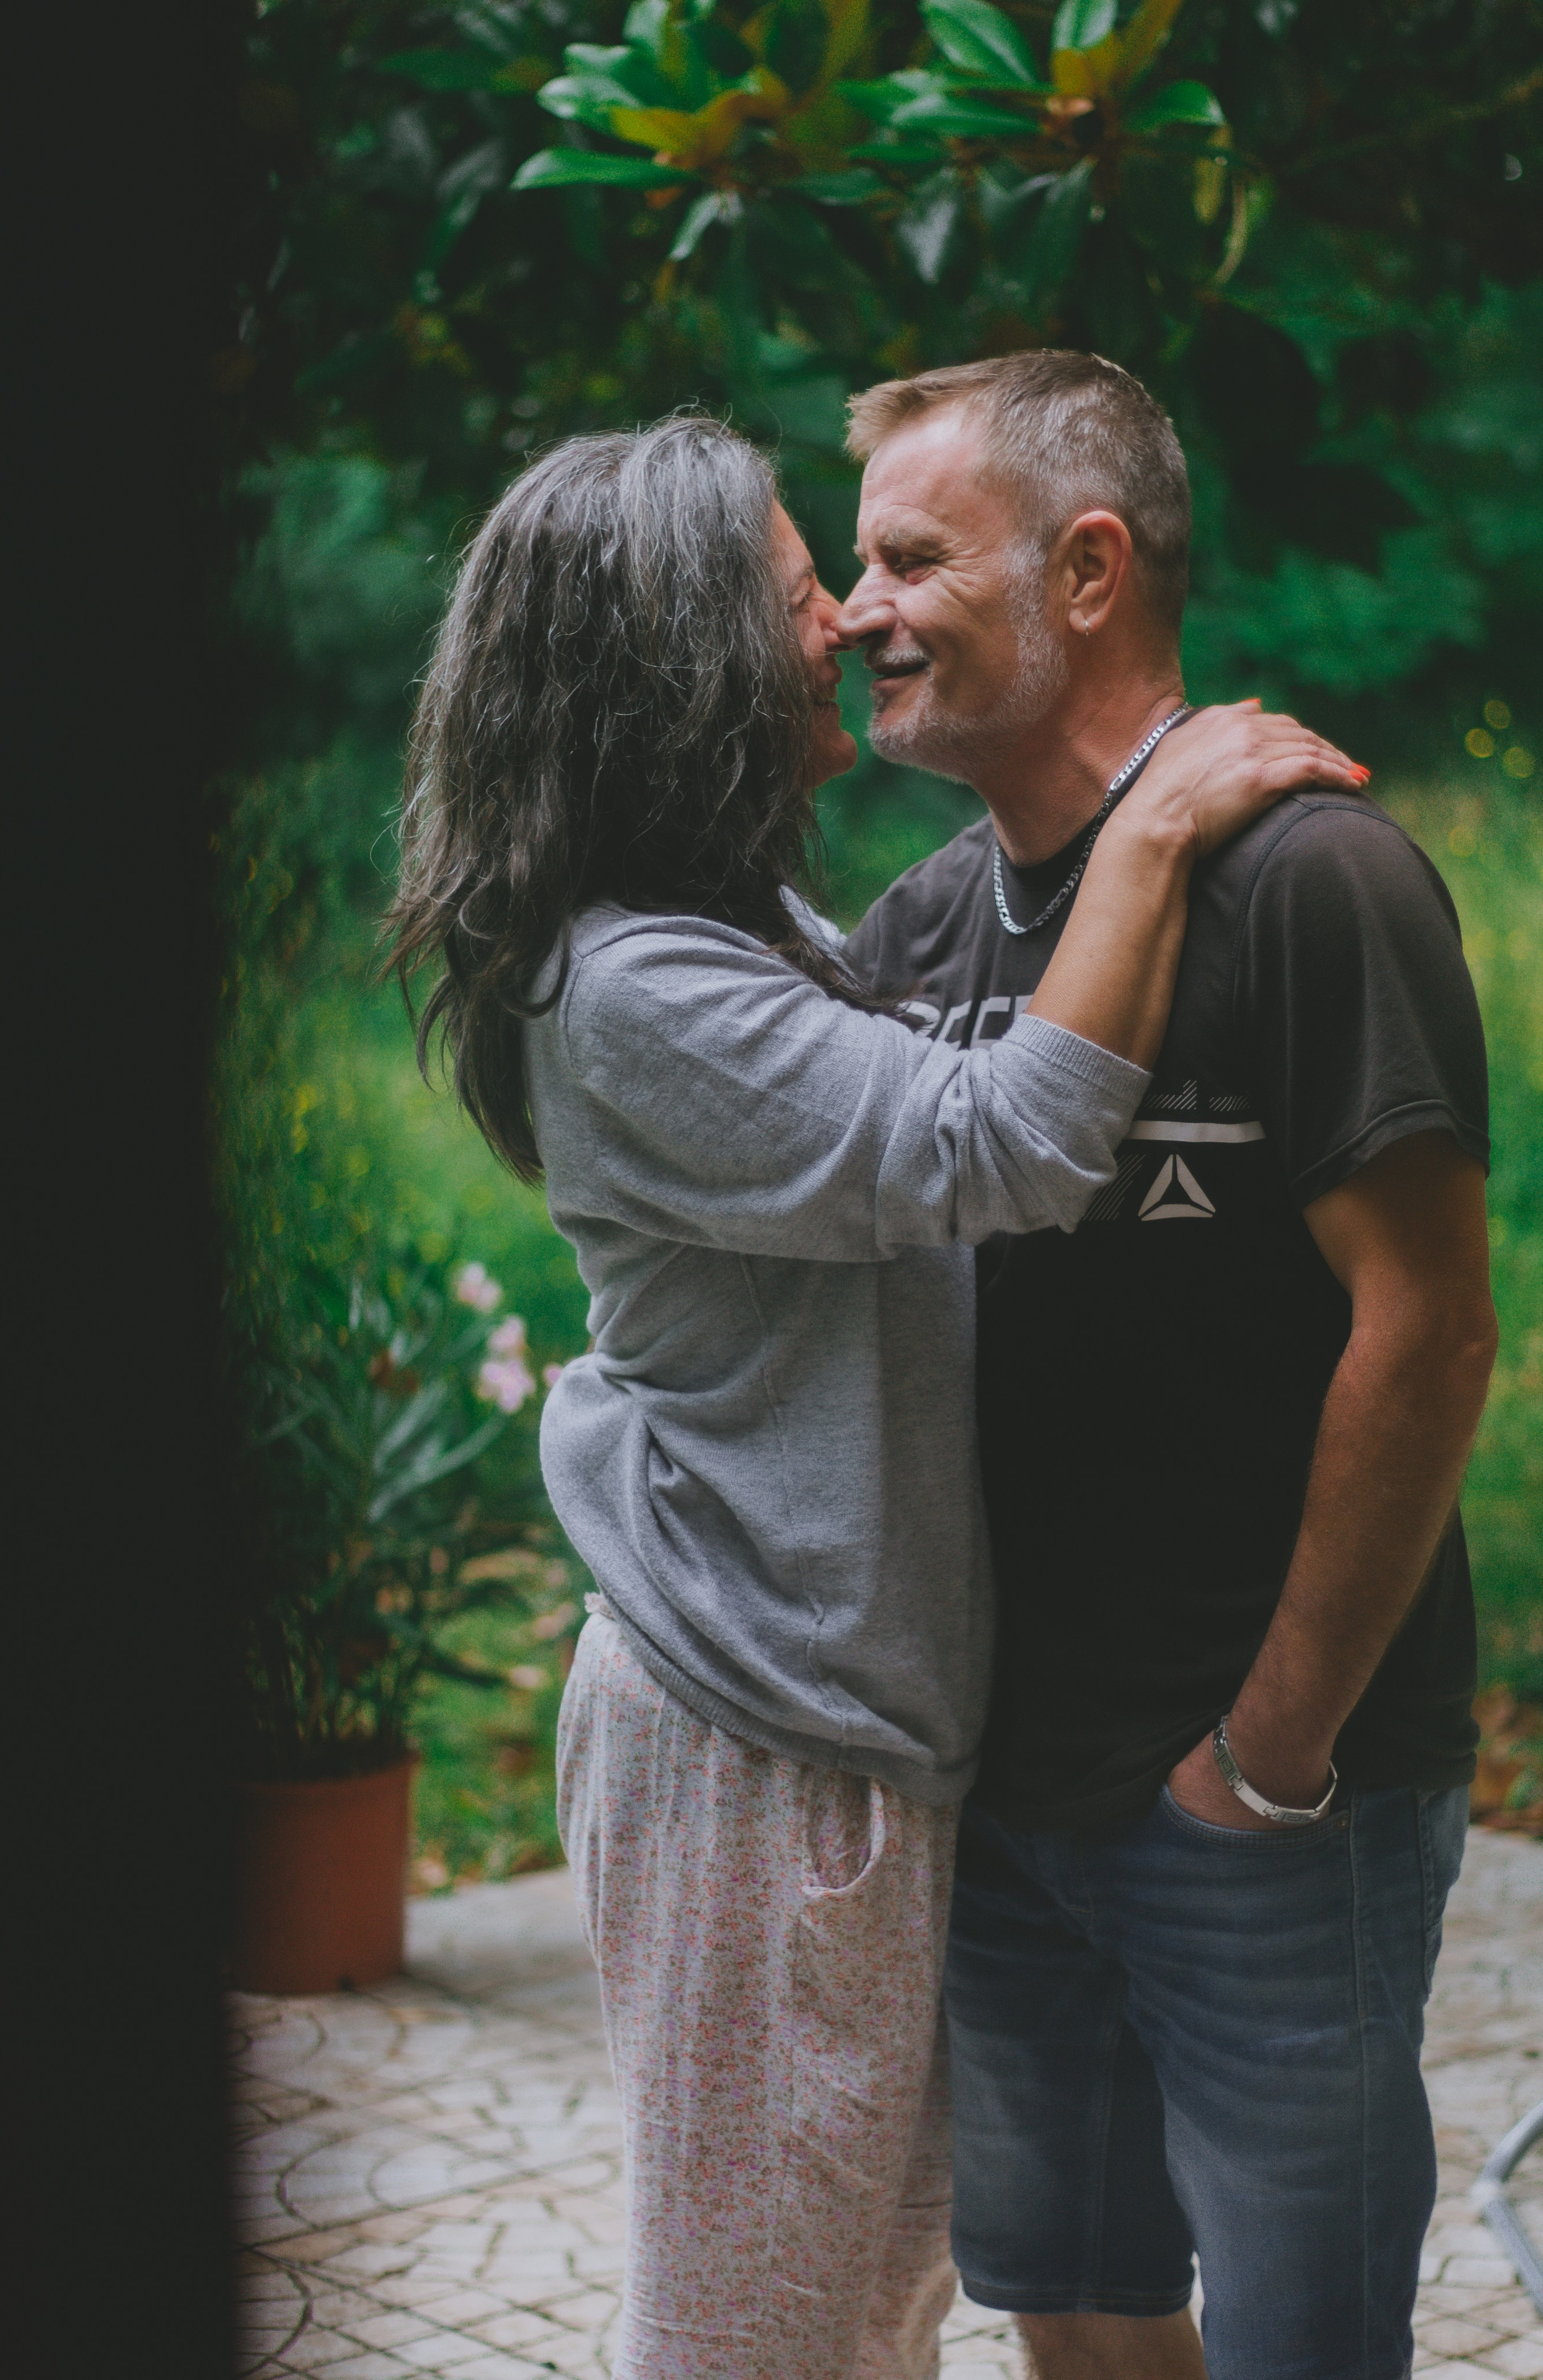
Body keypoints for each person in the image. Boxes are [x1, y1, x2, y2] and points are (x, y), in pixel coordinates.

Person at [385, 415, 1361, 2380]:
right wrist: (1159, 822)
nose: (837, 618)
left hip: (840, 1721)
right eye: (788, 584)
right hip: (755, 1727)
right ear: (677, 660)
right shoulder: (635, 987)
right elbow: (999, 1141)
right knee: (763, 2331)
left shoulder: (729, 931)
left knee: (870, 2305)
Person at [841, 352, 1497, 2380]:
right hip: (1006, 1803)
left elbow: (1433, 1331)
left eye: (907, 557)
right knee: (1083, 2307)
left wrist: (1271, 1756)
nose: (860, 609)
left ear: (1093, 567)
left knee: (1307, 2340)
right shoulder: (917, 934)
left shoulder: (1318, 882)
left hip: (1267, 1810)